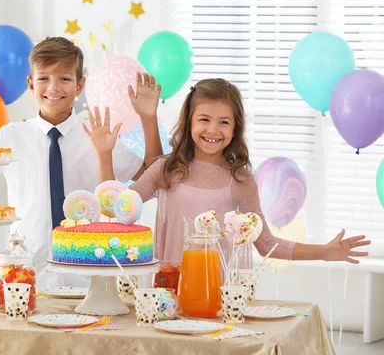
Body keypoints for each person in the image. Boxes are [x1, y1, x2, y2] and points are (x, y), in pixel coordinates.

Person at [0, 37, 163, 287]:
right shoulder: (10, 136)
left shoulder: (97, 134)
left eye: (65, 79)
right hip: (25, 277)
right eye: (44, 78)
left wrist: (148, 117)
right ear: (30, 84)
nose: (54, 88)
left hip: (88, 279)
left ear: (80, 86)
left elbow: (153, 178)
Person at [85, 78, 371, 269]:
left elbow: (265, 243)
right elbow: (115, 211)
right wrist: (103, 154)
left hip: (220, 297)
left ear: (235, 129)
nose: (213, 130)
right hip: (166, 291)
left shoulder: (241, 180)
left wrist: (323, 251)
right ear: (188, 124)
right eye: (204, 120)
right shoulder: (167, 169)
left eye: (224, 122)